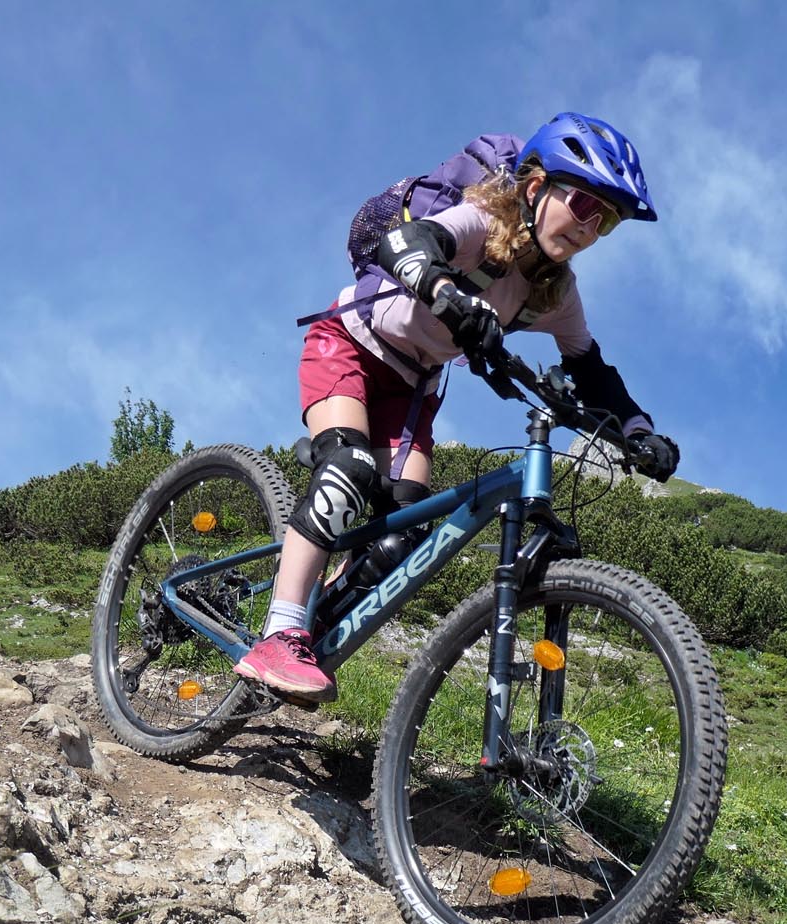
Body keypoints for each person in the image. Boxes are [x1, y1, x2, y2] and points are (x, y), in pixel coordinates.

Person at [234, 112, 680, 703]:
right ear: (535, 185)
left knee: (405, 530)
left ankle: (315, 625)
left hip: (413, 387)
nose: (589, 229)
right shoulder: (482, 221)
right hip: (350, 345)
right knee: (349, 474)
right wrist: (446, 290)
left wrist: (638, 430)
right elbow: (410, 244)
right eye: (582, 205)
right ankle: (280, 634)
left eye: (608, 223)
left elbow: (591, 370)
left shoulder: (557, 293)